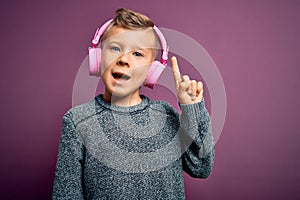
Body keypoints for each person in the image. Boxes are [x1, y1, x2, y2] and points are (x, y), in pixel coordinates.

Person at [52, 8, 214, 200]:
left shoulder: (167, 115)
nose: (124, 60)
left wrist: (193, 109)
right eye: (114, 48)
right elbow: (66, 195)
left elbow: (201, 167)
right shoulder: (77, 121)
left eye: (137, 54)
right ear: (98, 58)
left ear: (151, 70)